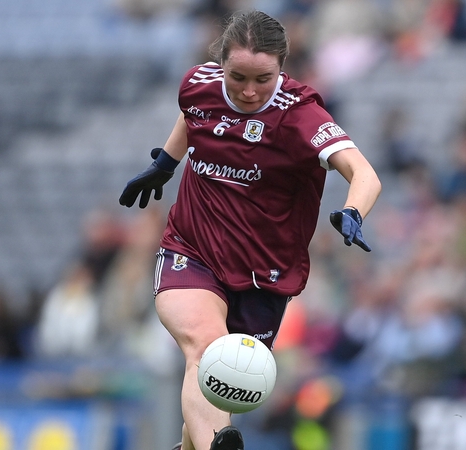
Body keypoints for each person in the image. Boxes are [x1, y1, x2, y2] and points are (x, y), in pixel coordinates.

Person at [118, 10, 381, 450]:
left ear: (282, 68)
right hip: (191, 249)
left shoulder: (301, 117)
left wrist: (354, 211)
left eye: (263, 78)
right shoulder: (198, 84)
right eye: (237, 76)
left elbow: (364, 173)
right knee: (207, 351)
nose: (249, 91)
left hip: (265, 275)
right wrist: (165, 164)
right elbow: (194, 114)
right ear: (220, 64)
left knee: (220, 390)